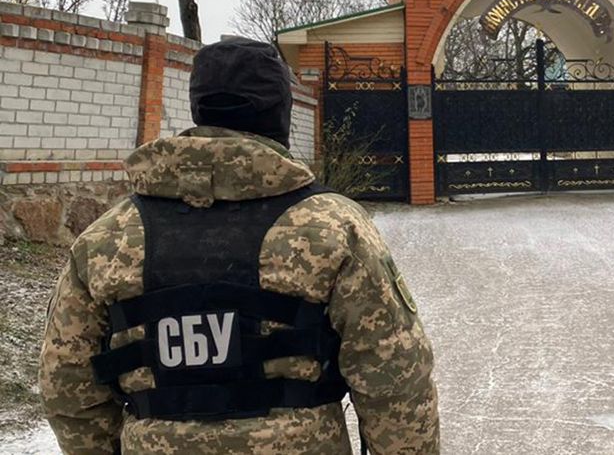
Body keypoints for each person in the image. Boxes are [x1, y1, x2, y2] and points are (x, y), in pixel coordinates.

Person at [39, 38, 439, 454]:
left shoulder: (106, 239)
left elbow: (65, 383)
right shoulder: (333, 229)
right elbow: (396, 381)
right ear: (280, 114)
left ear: (198, 108)